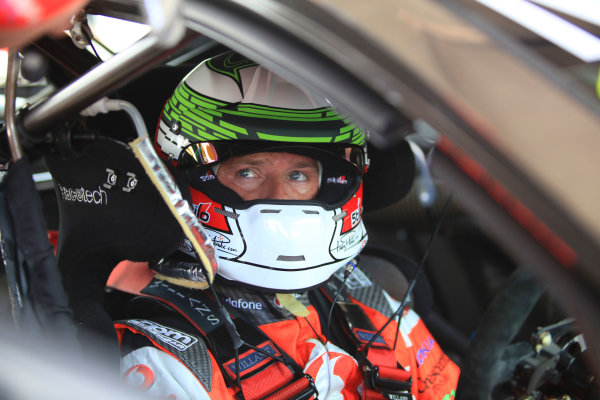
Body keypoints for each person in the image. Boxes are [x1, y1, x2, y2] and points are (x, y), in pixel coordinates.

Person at [111, 51, 460, 400]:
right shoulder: (169, 362)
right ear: (190, 180)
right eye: (248, 172)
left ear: (334, 183)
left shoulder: (367, 297)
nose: (280, 197)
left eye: (298, 175)